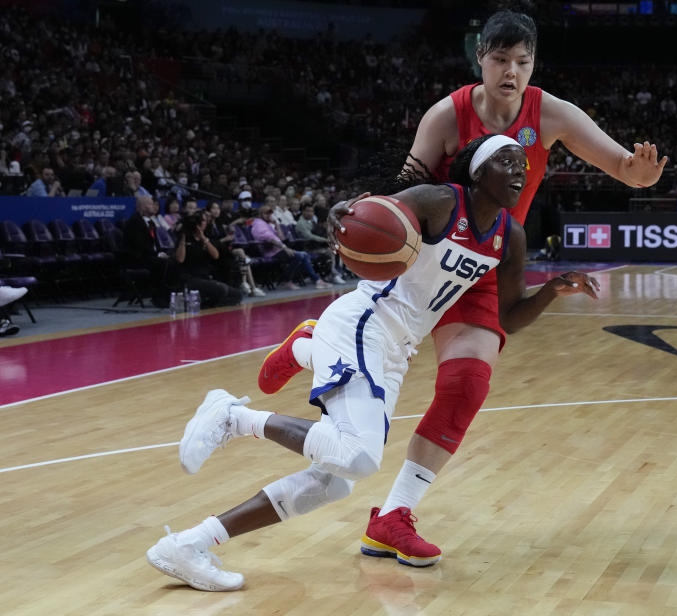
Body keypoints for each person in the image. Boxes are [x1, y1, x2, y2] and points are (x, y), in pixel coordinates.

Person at [146, 135, 599, 590]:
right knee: (358, 457)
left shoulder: (510, 234)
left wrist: (550, 291)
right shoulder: (441, 201)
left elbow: (508, 317)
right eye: (506, 159)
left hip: (398, 350)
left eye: (523, 161)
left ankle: (189, 545)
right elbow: (366, 214)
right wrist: (339, 210)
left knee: (335, 482)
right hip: (365, 322)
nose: (519, 168)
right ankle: (233, 416)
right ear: (478, 172)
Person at [326, 0, 666, 565]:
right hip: (429, 258)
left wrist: (641, 173)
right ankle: (310, 341)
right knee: (369, 379)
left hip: (484, 262)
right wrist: (360, 212)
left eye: (523, 62)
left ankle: (393, 515)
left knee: (468, 383)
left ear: (533, 66)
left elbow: (621, 166)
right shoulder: (445, 115)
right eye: (501, 58)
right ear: (480, 58)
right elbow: (403, 189)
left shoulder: (552, 113)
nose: (512, 71)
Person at [174, 210, 244, 309]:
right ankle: (204, 305)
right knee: (222, 290)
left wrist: (203, 238)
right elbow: (180, 259)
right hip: (190, 278)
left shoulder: (206, 239)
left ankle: (206, 306)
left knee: (237, 295)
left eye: (205, 221)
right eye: (202, 220)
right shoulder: (185, 238)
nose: (204, 223)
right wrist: (183, 238)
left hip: (205, 277)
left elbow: (215, 255)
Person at [249, 205, 329, 290]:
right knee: (300, 256)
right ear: (261, 214)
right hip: (269, 252)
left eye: (270, 213)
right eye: (266, 213)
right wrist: (285, 248)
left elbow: (281, 238)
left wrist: (276, 224)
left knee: (303, 255)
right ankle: (288, 280)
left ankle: (315, 280)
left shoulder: (268, 224)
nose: (269, 215)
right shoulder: (259, 224)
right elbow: (270, 239)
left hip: (278, 250)